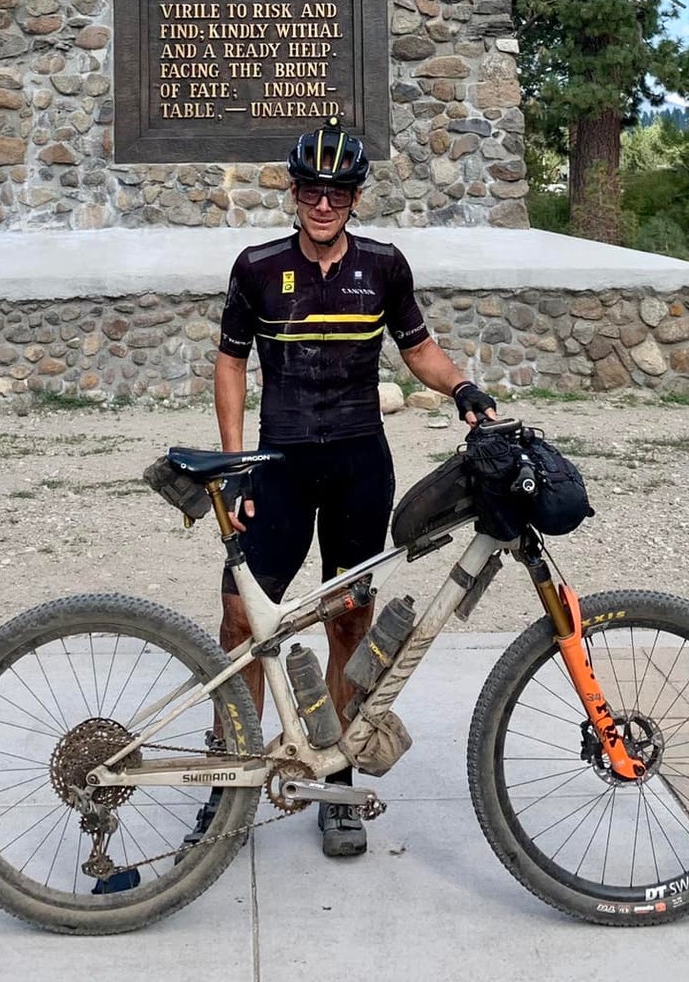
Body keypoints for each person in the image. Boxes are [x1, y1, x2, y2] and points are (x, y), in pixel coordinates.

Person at [207, 117, 496, 859]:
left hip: (360, 462)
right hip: (278, 463)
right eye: (311, 191)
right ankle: (226, 776)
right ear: (294, 194)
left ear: (355, 197)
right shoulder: (258, 267)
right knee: (241, 621)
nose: (323, 204)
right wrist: (235, 460)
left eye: (336, 192)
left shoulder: (384, 266)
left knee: (347, 622)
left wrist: (460, 386)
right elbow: (232, 363)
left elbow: (418, 349)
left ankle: (333, 781)